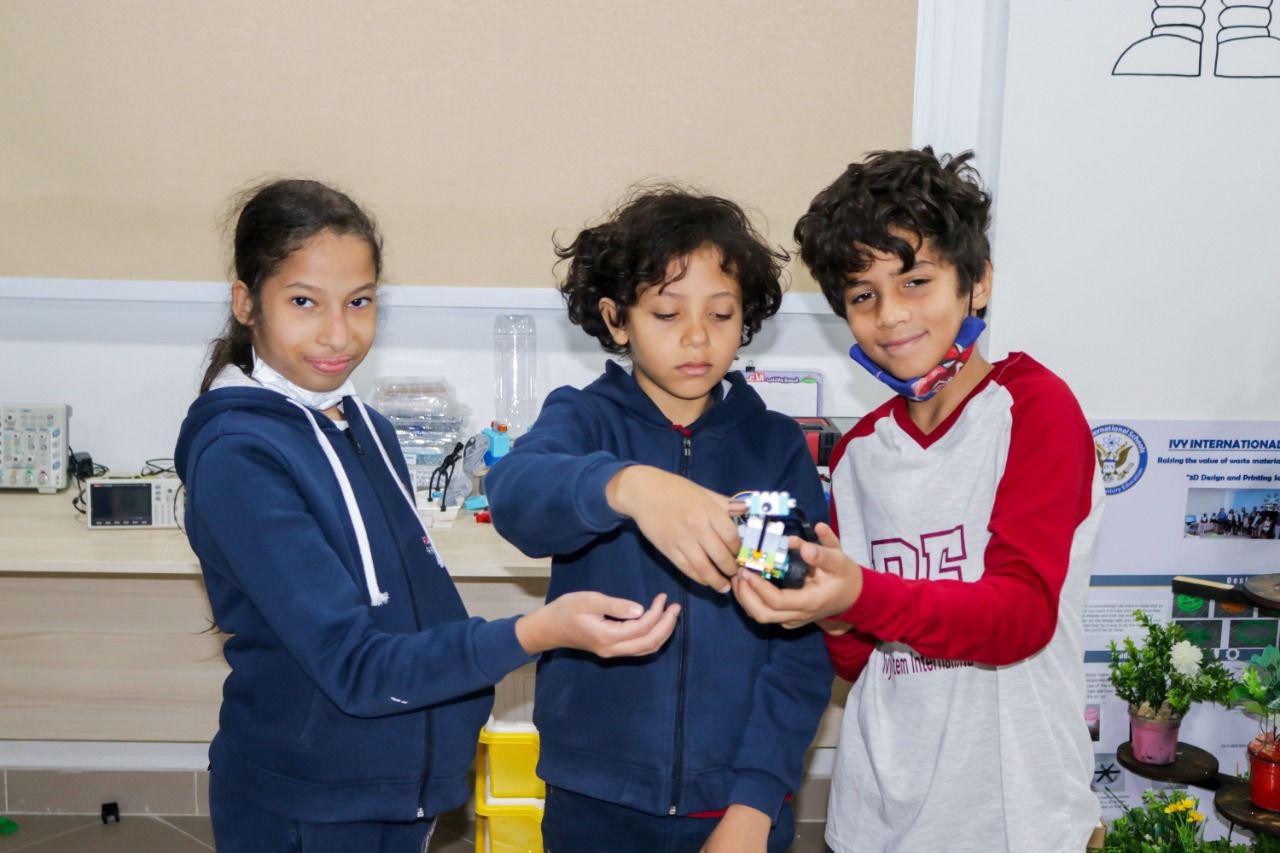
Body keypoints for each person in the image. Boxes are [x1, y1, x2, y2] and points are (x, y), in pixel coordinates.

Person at [174, 179, 680, 852]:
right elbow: (354, 665)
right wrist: (532, 632)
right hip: (312, 801)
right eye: (303, 302)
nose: (337, 332)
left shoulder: (367, 426)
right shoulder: (239, 455)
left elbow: (416, 607)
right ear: (247, 304)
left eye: (359, 302)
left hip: (397, 789)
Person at [733, 149, 1106, 851]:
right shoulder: (859, 453)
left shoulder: (1034, 410)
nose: (892, 315)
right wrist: (827, 607)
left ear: (979, 282)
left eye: (916, 280)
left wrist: (859, 591)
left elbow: (1020, 616)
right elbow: (861, 661)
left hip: (1017, 817)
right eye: (863, 295)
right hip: (876, 818)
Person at [485, 187, 833, 853]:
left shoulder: (771, 449)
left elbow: (798, 638)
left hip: (732, 806)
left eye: (721, 314)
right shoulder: (586, 423)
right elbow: (516, 495)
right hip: (593, 800)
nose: (697, 337)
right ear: (618, 320)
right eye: (667, 313)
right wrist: (627, 485)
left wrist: (755, 804)